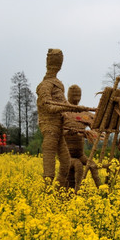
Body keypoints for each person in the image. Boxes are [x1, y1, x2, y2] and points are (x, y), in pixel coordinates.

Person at [36, 49, 86, 186]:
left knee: (66, 162)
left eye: (59, 62)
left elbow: (64, 105)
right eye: (55, 61)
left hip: (58, 129)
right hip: (50, 129)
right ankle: (47, 192)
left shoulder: (58, 84)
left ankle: (58, 191)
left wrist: (76, 110)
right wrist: (71, 108)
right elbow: (48, 107)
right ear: (48, 62)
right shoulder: (45, 85)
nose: (57, 65)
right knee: (49, 167)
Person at [63, 84, 100, 191]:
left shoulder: (85, 114)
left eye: (78, 95)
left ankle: (102, 191)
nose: (76, 97)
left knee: (93, 166)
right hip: (66, 154)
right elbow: (57, 130)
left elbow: (96, 128)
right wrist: (69, 132)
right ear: (69, 96)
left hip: (80, 154)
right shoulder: (64, 113)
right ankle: (77, 192)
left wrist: (87, 134)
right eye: (73, 95)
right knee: (78, 166)